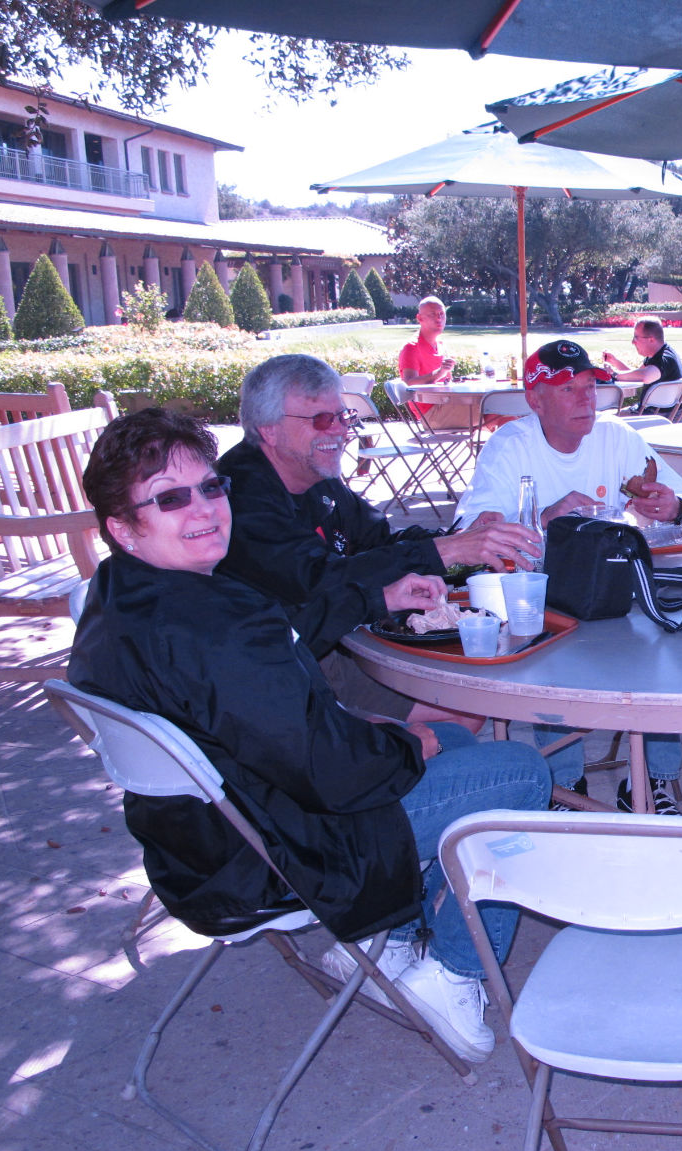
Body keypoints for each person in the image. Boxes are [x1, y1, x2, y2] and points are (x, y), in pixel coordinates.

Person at [69, 408, 553, 1064]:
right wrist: (410, 744)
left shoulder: (116, 598)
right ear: (122, 527)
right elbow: (333, 771)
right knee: (520, 773)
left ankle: (398, 937)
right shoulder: (218, 628)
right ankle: (453, 975)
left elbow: (272, 716)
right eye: (170, 499)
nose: (204, 509)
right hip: (287, 855)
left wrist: (374, 612)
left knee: (466, 751)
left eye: (212, 487)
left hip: (203, 844)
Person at [217, 354, 535, 726]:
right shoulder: (237, 498)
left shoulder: (316, 475)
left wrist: (463, 540)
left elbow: (379, 541)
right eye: (321, 420)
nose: (340, 431)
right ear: (268, 429)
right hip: (280, 672)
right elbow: (315, 580)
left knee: (472, 704)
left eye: (343, 417)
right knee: (464, 714)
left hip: (332, 640)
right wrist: (444, 551)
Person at [455, 338, 682, 813]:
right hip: (546, 592)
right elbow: (470, 529)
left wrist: (672, 506)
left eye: (589, 386)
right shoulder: (512, 445)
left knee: (666, 635)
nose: (585, 399)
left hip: (621, 585)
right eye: (568, 389)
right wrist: (544, 520)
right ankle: (565, 786)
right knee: (548, 646)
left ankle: (652, 780)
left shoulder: (617, 439)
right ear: (535, 398)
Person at [601, 316, 682, 406]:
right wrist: (615, 362)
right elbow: (636, 375)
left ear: (651, 339)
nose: (633, 342)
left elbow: (645, 376)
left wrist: (614, 374)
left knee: (602, 418)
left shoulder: (664, 358)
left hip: (660, 416)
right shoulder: (658, 355)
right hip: (659, 414)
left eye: (636, 337)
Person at [398, 296, 456, 386]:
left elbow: (448, 382)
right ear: (420, 318)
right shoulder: (411, 347)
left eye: (442, 314)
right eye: (433, 314)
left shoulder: (441, 345)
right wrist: (439, 373)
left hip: (445, 399)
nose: (439, 319)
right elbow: (409, 383)